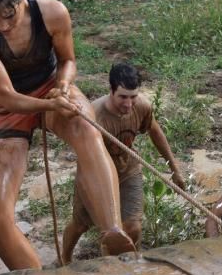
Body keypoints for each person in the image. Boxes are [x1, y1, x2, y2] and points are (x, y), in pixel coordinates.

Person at [0, 0, 134, 271]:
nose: (2, 25)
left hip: (50, 87)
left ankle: (112, 230)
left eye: (8, 14)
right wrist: (51, 106)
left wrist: (64, 88)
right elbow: (7, 97)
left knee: (86, 126)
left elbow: (68, 60)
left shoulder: (53, 12)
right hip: (5, 106)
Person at [61, 63, 187, 263]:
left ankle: (130, 265)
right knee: (82, 225)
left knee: (133, 226)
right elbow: (84, 155)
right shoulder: (93, 115)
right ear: (110, 90)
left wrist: (174, 168)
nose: (129, 104)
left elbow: (155, 132)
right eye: (123, 97)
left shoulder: (142, 107)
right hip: (96, 176)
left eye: (133, 96)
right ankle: (64, 259)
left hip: (128, 171)